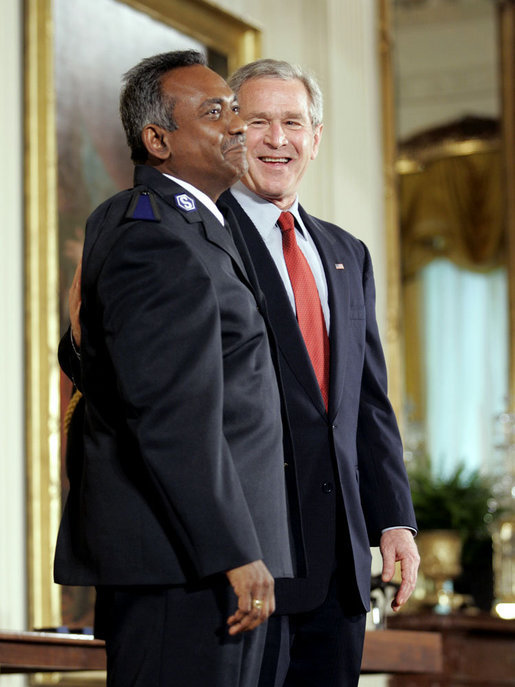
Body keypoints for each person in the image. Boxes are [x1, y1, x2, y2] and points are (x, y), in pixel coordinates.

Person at [54, 50, 294, 687]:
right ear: (157, 139)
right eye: (217, 112)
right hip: (189, 564)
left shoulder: (160, 222)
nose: (238, 126)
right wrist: (235, 551)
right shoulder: (157, 235)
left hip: (198, 558)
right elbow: (171, 415)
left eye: (235, 109)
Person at [215, 59, 420, 687]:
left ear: (317, 137)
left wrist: (394, 519)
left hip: (339, 569)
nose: (278, 139)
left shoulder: (345, 252)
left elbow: (368, 404)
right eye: (258, 122)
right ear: (229, 134)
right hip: (247, 563)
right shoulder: (202, 238)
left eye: (293, 123)